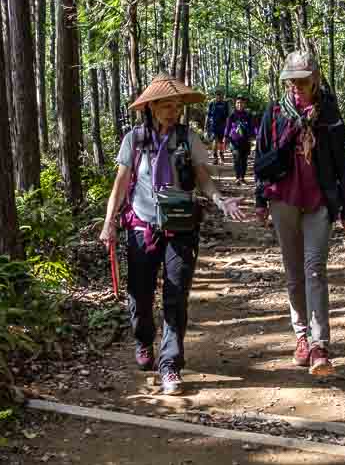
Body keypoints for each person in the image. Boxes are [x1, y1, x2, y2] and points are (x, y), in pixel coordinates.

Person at [99, 74, 250, 395]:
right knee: (139, 294)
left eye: (177, 105)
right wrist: (109, 221)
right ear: (151, 107)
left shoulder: (188, 138)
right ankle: (143, 341)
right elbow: (121, 184)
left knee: (175, 295)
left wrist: (220, 199)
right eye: (166, 105)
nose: (173, 111)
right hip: (142, 226)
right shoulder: (134, 140)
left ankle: (170, 364)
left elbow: (203, 179)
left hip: (181, 226)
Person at [254, 50, 345, 377]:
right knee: (294, 272)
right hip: (283, 199)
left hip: (319, 201)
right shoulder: (275, 113)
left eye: (303, 80)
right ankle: (301, 335)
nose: (297, 86)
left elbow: (342, 162)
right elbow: (262, 159)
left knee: (315, 269)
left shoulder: (329, 114)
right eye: (292, 80)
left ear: (315, 80)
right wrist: (259, 200)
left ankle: (319, 344)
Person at [225, 97, 254, 185]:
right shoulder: (232, 115)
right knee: (237, 159)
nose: (239, 104)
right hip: (234, 142)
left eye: (241, 103)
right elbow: (228, 126)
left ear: (244, 104)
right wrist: (225, 137)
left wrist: (254, 136)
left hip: (245, 141)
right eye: (238, 103)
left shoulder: (248, 115)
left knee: (244, 160)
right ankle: (238, 177)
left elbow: (252, 127)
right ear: (235, 104)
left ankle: (242, 177)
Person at [206, 92, 231, 163]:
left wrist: (228, 126)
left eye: (220, 95)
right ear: (216, 96)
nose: (219, 97)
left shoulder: (225, 104)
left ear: (222, 96)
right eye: (218, 95)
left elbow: (228, 116)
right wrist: (206, 126)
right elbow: (208, 115)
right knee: (215, 141)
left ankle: (221, 155)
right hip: (214, 126)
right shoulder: (212, 103)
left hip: (222, 126)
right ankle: (215, 157)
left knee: (221, 142)